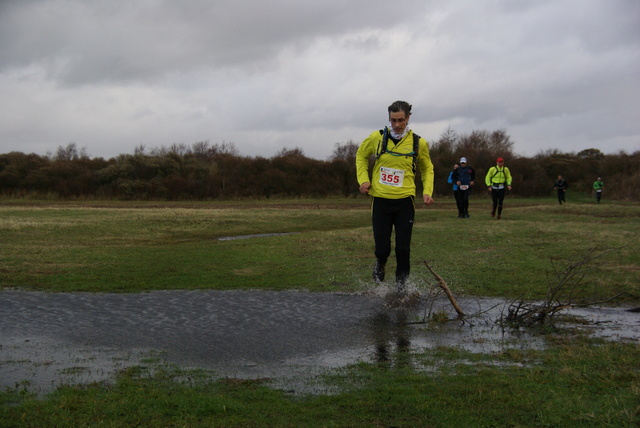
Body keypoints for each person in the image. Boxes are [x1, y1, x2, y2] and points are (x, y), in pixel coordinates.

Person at [355, 100, 434, 293]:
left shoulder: (418, 142)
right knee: (383, 249)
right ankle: (380, 264)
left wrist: (427, 192)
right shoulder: (377, 138)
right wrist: (363, 180)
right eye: (393, 120)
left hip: (405, 201)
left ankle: (401, 288)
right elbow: (360, 156)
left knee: (403, 249)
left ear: (408, 118)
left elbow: (427, 168)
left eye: (401, 120)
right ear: (388, 118)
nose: (397, 125)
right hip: (381, 200)